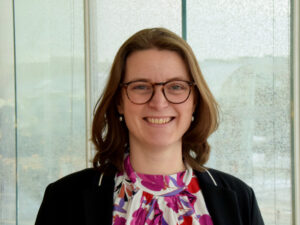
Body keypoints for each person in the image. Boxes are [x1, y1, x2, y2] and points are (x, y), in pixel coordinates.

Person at [35, 27, 265, 225]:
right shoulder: (64, 199)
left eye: (176, 87)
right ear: (119, 101)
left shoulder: (239, 199)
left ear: (194, 100)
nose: (159, 102)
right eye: (141, 86)